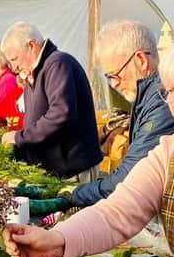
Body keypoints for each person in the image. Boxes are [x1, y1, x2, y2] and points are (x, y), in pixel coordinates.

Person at [2, 45, 174, 257]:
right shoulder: (166, 154)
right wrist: (57, 239)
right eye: (168, 92)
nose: (170, 103)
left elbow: (60, 113)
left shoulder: (58, 64)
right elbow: (117, 213)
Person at [66, 20, 174, 207]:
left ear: (140, 60)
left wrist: (71, 195)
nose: (114, 84)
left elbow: (129, 177)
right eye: (109, 78)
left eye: (115, 75)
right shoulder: (146, 96)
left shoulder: (161, 101)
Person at [0, 22, 102, 181]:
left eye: (15, 59)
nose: (14, 67)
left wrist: (20, 137)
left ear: (31, 46)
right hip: (55, 171)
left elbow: (61, 113)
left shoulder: (58, 64)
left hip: (73, 170)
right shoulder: (34, 73)